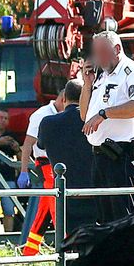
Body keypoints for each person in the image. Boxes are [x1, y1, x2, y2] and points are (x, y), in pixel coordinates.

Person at [80, 30, 134, 223]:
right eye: (96, 52)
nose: (98, 58)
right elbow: (84, 115)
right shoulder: (101, 77)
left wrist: (105, 114)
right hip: (100, 155)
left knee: (122, 216)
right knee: (104, 218)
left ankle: (127, 253)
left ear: (117, 49)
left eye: (103, 52)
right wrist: (87, 85)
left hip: (121, 153)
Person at [37, 80, 96, 232]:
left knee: (70, 240)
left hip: (64, 191)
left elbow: (40, 145)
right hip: (93, 190)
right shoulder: (94, 122)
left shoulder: (48, 123)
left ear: (63, 99)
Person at [17, 89, 67, 249]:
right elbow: (27, 144)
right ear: (63, 99)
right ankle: (66, 246)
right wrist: (23, 171)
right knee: (57, 206)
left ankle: (29, 250)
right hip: (46, 165)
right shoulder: (41, 115)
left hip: (55, 165)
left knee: (44, 211)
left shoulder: (58, 113)